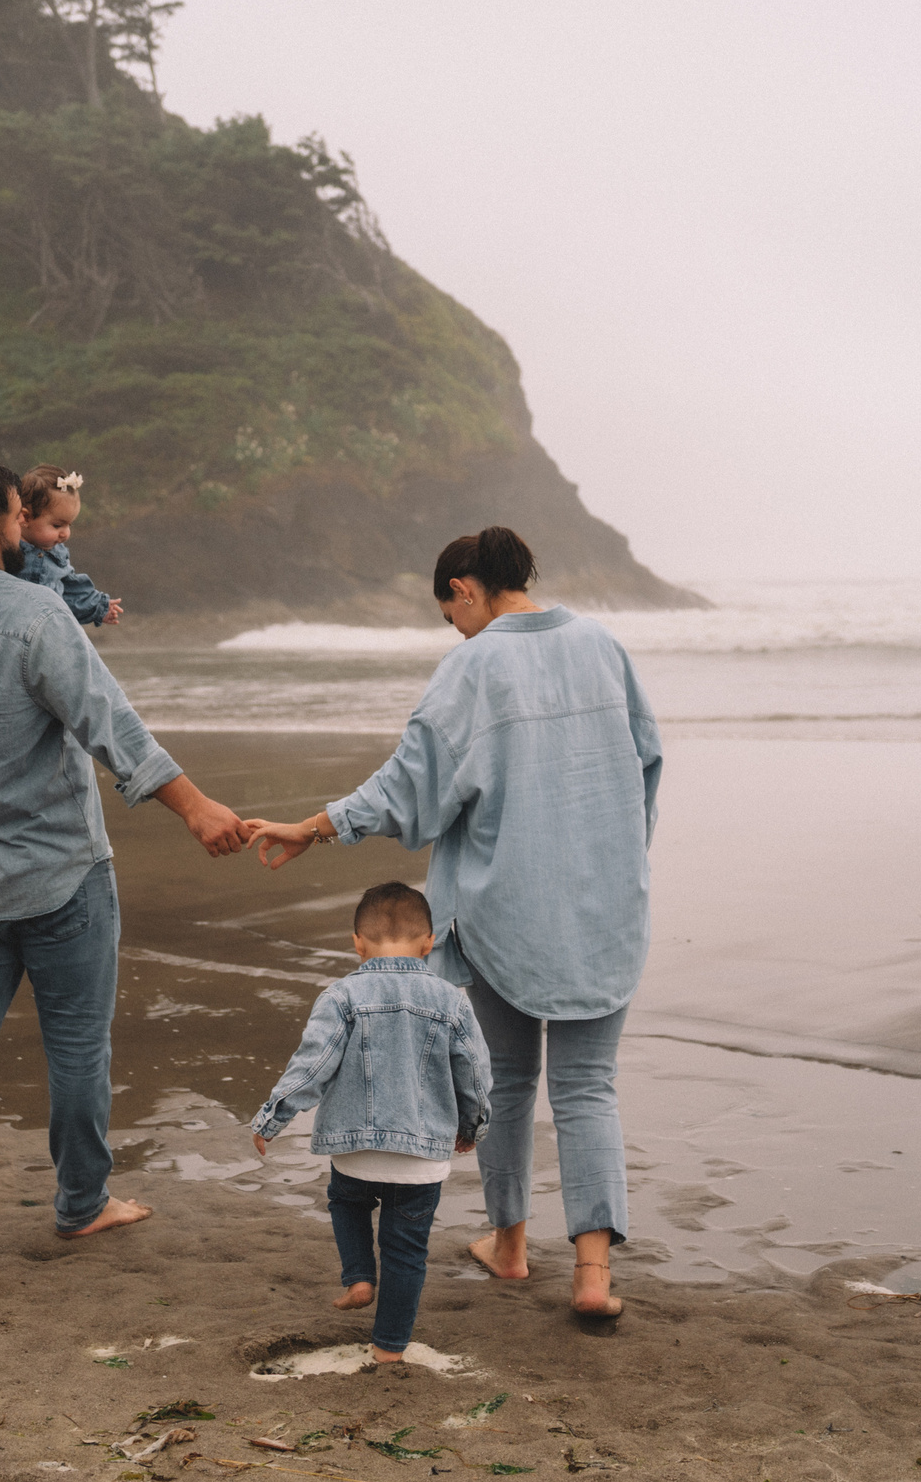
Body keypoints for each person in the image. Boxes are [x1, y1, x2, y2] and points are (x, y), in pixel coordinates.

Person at [245, 527, 662, 1318]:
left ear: (466, 589)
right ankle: (593, 1276)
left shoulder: (474, 664)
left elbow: (410, 781)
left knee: (507, 1081)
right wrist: (620, 863)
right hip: (606, 906)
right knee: (587, 1087)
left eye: (450, 614)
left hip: (503, 907)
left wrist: (315, 825)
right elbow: (646, 763)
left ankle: (509, 1246)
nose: (455, 629)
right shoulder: (604, 644)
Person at [0, 456, 250, 1267]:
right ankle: (82, 1204)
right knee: (78, 1047)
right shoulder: (33, 615)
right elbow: (109, 724)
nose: (31, 531)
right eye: (19, 519)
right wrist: (197, 809)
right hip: (60, 873)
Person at [250, 882, 492, 1361]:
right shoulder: (452, 1000)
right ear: (430, 943)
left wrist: (272, 1117)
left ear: (357, 943)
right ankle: (388, 1350)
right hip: (421, 1158)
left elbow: (313, 1065)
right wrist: (474, 1126)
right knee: (406, 1251)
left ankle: (359, 1276)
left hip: (355, 1151)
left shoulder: (341, 996)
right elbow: (475, 1072)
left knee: (345, 1201)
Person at [15, 463, 121, 628]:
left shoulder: (57, 553)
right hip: (13, 628)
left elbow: (71, 589)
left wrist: (98, 607)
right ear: (26, 518)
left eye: (69, 525)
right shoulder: (7, 548)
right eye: (57, 526)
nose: (65, 534)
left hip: (48, 628)